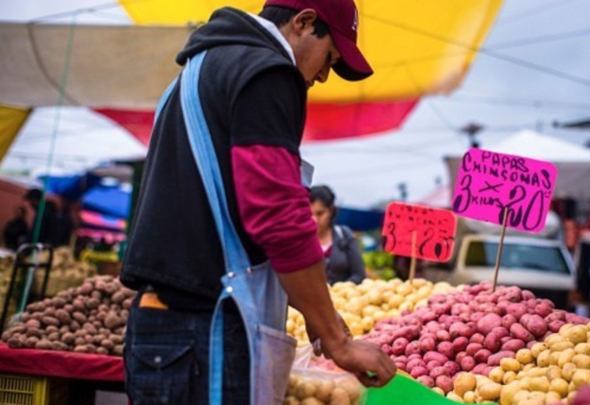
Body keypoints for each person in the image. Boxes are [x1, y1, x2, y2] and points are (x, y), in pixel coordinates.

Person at [120, 1, 395, 404]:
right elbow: (278, 216)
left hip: (164, 328)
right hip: (202, 330)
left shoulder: (197, 74)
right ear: (304, 22)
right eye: (329, 58)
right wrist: (338, 342)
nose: (321, 75)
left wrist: (315, 312)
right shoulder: (268, 72)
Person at [310, 185, 366, 284]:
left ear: (331, 210)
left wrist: (340, 290)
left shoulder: (344, 235)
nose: (315, 220)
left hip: (343, 297)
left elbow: (359, 274)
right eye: (310, 214)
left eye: (320, 213)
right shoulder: (299, 241)